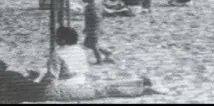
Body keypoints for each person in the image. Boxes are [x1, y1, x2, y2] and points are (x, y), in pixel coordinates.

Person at [39, 26, 167, 100]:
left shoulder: (57, 54)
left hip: (65, 86)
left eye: (57, 36)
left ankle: (142, 90)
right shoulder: (79, 50)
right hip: (81, 80)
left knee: (106, 91)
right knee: (106, 86)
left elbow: (52, 79)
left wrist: (38, 80)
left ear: (62, 39)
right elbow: (83, 69)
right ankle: (139, 82)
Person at [80, 0, 114, 64]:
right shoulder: (91, 6)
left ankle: (99, 60)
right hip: (92, 28)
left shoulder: (93, 7)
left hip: (94, 29)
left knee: (93, 45)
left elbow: (97, 17)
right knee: (88, 44)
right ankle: (107, 52)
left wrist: (93, 28)